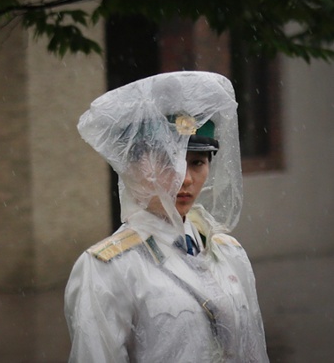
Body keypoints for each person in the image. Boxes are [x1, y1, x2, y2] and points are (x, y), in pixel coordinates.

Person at [64, 71, 268, 362]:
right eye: (167, 162)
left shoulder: (228, 253)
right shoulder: (109, 269)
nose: (185, 180)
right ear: (130, 168)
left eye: (196, 162)